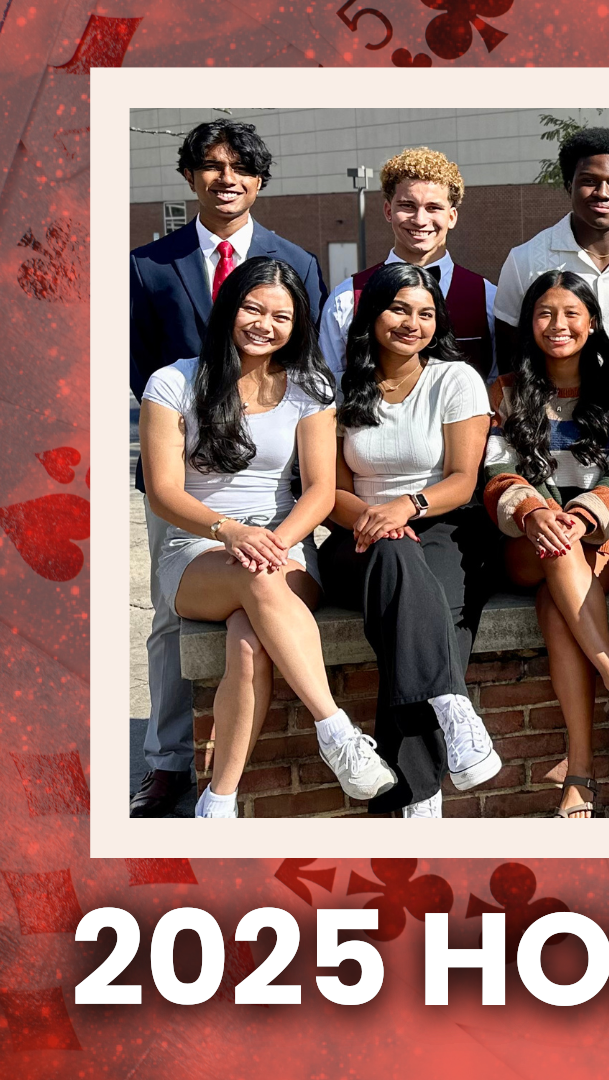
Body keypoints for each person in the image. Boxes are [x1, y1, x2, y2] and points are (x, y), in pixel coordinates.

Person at [139, 257, 395, 816]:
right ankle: (336, 731)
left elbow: (321, 491)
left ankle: (219, 801)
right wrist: (232, 533)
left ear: (297, 324)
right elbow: (162, 492)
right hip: (199, 546)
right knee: (251, 583)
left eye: (281, 315)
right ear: (229, 307)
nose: (264, 324)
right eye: (252, 308)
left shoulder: (310, 388)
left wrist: (273, 543)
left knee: (249, 641)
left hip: (285, 544)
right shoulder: (173, 382)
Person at [129, 118, 324, 818]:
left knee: (254, 608)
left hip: (269, 483)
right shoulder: (149, 265)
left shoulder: (294, 260)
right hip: (185, 479)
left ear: (261, 180)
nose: (226, 177)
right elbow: (138, 366)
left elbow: (305, 358)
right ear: (190, 178)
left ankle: (246, 770)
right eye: (210, 166)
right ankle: (167, 760)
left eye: (241, 166)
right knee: (165, 621)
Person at [318, 262, 503, 818]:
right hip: (357, 534)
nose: (412, 323)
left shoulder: (455, 379)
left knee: (422, 626)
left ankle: (412, 807)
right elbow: (330, 491)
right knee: (402, 569)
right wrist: (378, 520)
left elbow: (463, 480)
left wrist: (406, 506)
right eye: (399, 308)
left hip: (445, 525)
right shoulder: (338, 387)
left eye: (426, 313)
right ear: (373, 312)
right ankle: (452, 704)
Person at [483, 269, 609, 819]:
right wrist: (535, 513)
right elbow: (494, 471)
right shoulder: (504, 391)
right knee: (556, 551)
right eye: (544, 313)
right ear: (528, 322)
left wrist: (584, 517)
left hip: (592, 542)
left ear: (593, 322)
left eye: (571, 314)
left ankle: (578, 777)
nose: (557, 325)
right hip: (524, 542)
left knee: (560, 613)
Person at [494, 127, 609, 372]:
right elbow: (509, 352)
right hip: (550, 407)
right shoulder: (523, 260)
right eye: (589, 181)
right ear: (569, 186)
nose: (603, 193)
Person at [320, 147, 497, 379]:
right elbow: (330, 387)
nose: (420, 220)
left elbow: (498, 388)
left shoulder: (488, 297)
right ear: (388, 210)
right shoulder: (345, 299)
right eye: (407, 206)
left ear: (451, 217)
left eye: (433, 208)